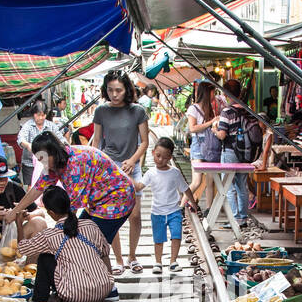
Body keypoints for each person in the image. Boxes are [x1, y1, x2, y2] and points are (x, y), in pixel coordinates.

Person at [12, 133, 137, 247]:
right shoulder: (52, 163)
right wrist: (14, 212)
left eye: (43, 158)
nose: (41, 163)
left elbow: (73, 207)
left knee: (92, 245)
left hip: (117, 198)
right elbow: (37, 188)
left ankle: (101, 271)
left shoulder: (75, 163)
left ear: (54, 153)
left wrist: (58, 235)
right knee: (80, 240)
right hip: (96, 200)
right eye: (39, 159)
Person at [19, 185, 115, 302]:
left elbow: (22, 248)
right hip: (104, 289)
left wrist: (18, 223)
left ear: (51, 213)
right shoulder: (90, 224)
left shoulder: (50, 235)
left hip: (76, 295)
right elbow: (104, 254)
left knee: (45, 257)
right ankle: (106, 290)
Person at [92, 70, 150, 273]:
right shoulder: (100, 111)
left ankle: (132, 256)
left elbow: (145, 142)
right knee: (111, 215)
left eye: (118, 90)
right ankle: (118, 259)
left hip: (131, 166)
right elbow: (97, 141)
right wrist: (98, 167)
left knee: (135, 215)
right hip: (108, 167)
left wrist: (133, 161)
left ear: (127, 90)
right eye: (110, 90)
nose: (114, 94)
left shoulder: (138, 111)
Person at [139, 137, 192, 274]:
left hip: (174, 210)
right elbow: (139, 186)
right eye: (158, 156)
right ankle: (158, 262)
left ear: (169, 158)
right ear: (153, 152)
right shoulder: (151, 173)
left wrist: (192, 202)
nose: (160, 160)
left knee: (176, 235)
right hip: (157, 212)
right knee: (158, 238)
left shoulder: (174, 173)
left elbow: (185, 189)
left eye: (164, 157)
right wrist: (127, 179)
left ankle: (173, 261)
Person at [214, 78, 263, 227]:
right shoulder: (248, 110)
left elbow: (222, 135)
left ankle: (235, 218)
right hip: (246, 154)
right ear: (240, 93)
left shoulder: (227, 111)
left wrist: (214, 130)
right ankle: (243, 218)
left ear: (227, 94)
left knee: (228, 186)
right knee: (242, 185)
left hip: (230, 152)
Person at [186, 81, 220, 210]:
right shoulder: (193, 108)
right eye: (213, 92)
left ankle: (209, 209)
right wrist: (211, 122)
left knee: (210, 180)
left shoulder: (209, 108)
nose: (214, 95)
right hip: (198, 145)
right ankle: (181, 206)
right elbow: (192, 128)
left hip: (209, 145)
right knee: (197, 181)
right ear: (207, 92)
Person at [16, 102, 66, 188]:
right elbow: (21, 139)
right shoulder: (28, 125)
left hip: (48, 163)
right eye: (38, 115)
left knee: (49, 187)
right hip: (30, 163)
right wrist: (28, 145)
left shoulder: (51, 126)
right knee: (31, 187)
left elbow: (61, 139)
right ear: (33, 114)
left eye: (43, 115)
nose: (40, 118)